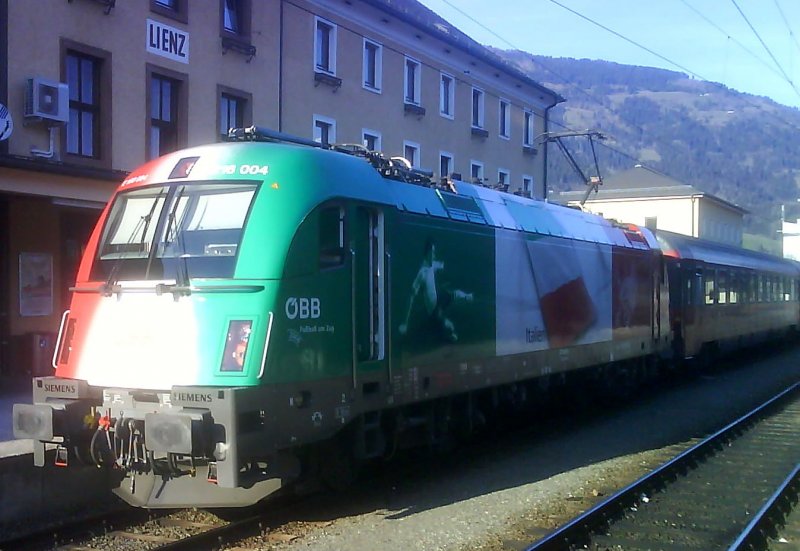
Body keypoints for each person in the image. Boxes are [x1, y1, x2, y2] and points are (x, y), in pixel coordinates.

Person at [399, 238, 473, 342]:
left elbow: (443, 265)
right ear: (428, 253)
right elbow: (411, 297)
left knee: (457, 294)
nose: (434, 254)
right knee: (449, 327)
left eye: (434, 252)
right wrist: (405, 322)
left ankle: (466, 296)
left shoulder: (433, 265)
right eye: (433, 252)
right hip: (434, 309)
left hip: (439, 299)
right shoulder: (422, 273)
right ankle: (447, 333)